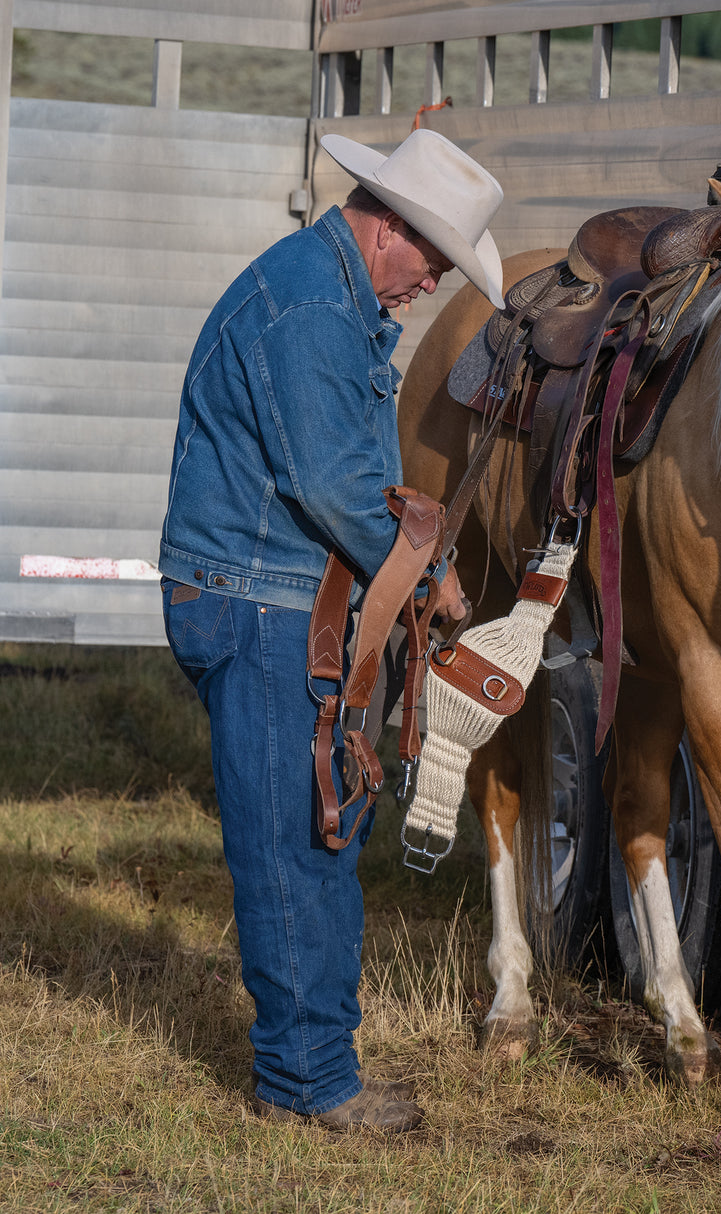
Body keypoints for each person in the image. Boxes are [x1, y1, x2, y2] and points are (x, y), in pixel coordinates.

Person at [158, 129, 505, 1132]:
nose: (430, 282)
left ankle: (309, 1066)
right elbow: (336, 484)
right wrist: (431, 574)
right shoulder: (314, 310)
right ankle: (307, 1083)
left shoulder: (325, 293)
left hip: (269, 593)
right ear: (386, 227)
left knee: (317, 826)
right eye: (431, 259)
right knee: (294, 841)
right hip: (261, 601)